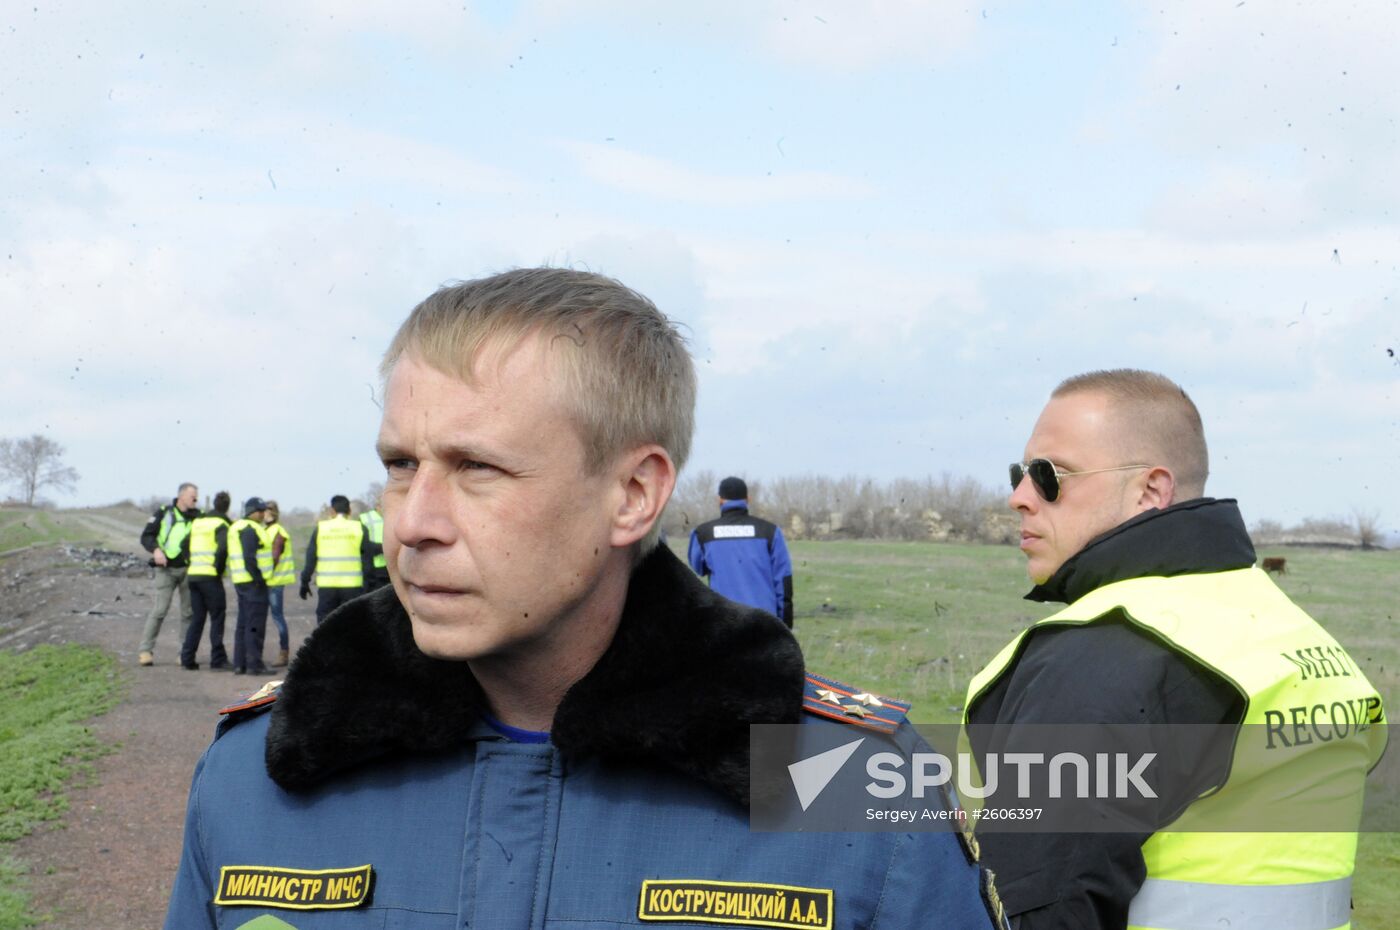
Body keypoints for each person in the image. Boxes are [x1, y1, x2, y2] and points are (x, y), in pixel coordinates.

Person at [165, 268, 1003, 929]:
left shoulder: (854, 788)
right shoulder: (253, 774)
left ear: (634, 494)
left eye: (478, 469)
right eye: (400, 466)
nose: (413, 524)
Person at [963, 369, 1387, 930]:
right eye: (1020, 474)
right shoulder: (1291, 629)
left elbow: (1038, 912)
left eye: (1050, 475)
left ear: (1150, 490)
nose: (1019, 498)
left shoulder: (1107, 654)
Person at [688, 476, 794, 626]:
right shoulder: (770, 532)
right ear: (748, 499)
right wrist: (785, 625)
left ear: (720, 500)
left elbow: (699, 568)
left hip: (724, 623)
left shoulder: (702, 533)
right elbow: (784, 581)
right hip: (765, 623)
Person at [137, 482, 199, 666]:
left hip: (189, 569)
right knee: (160, 610)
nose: (195, 500)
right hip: (165, 569)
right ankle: (145, 651)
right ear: (181, 497)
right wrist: (156, 550)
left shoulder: (199, 517)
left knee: (188, 613)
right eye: (192, 496)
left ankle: (184, 653)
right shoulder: (164, 513)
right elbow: (146, 536)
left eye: (196, 497)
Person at [180, 490, 232, 671]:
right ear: (227, 507)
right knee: (217, 616)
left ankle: (187, 658)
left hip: (193, 576)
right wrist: (217, 569)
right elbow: (223, 548)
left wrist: (190, 561)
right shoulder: (221, 524)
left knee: (198, 618)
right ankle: (217, 659)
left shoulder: (198, 522)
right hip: (210, 577)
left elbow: (183, 544)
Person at [297, 494, 370, 623]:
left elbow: (311, 558)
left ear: (332, 511)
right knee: (351, 626)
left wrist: (304, 582)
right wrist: (368, 585)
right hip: (352, 587)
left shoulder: (321, 529)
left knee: (325, 627)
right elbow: (367, 560)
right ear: (349, 511)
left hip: (327, 587)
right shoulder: (358, 528)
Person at [227, 497, 274, 676]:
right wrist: (259, 579)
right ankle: (254, 664)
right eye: (261, 511)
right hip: (253, 583)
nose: (263, 514)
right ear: (252, 512)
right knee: (255, 624)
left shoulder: (237, 527)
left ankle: (240, 664)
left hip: (241, 580)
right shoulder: (249, 529)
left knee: (243, 623)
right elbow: (249, 557)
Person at [263, 500, 296, 667]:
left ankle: (284, 653)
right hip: (269, 580)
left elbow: (274, 558)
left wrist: (263, 574)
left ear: (273, 513)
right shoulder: (266, 530)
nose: (264, 514)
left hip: (274, 581)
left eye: (267, 511)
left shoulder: (277, 531)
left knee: (277, 616)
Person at [358, 503, 391, 590]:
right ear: (377, 506)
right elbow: (361, 542)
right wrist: (382, 548)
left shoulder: (391, 517)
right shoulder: (364, 518)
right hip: (371, 565)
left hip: (388, 566)